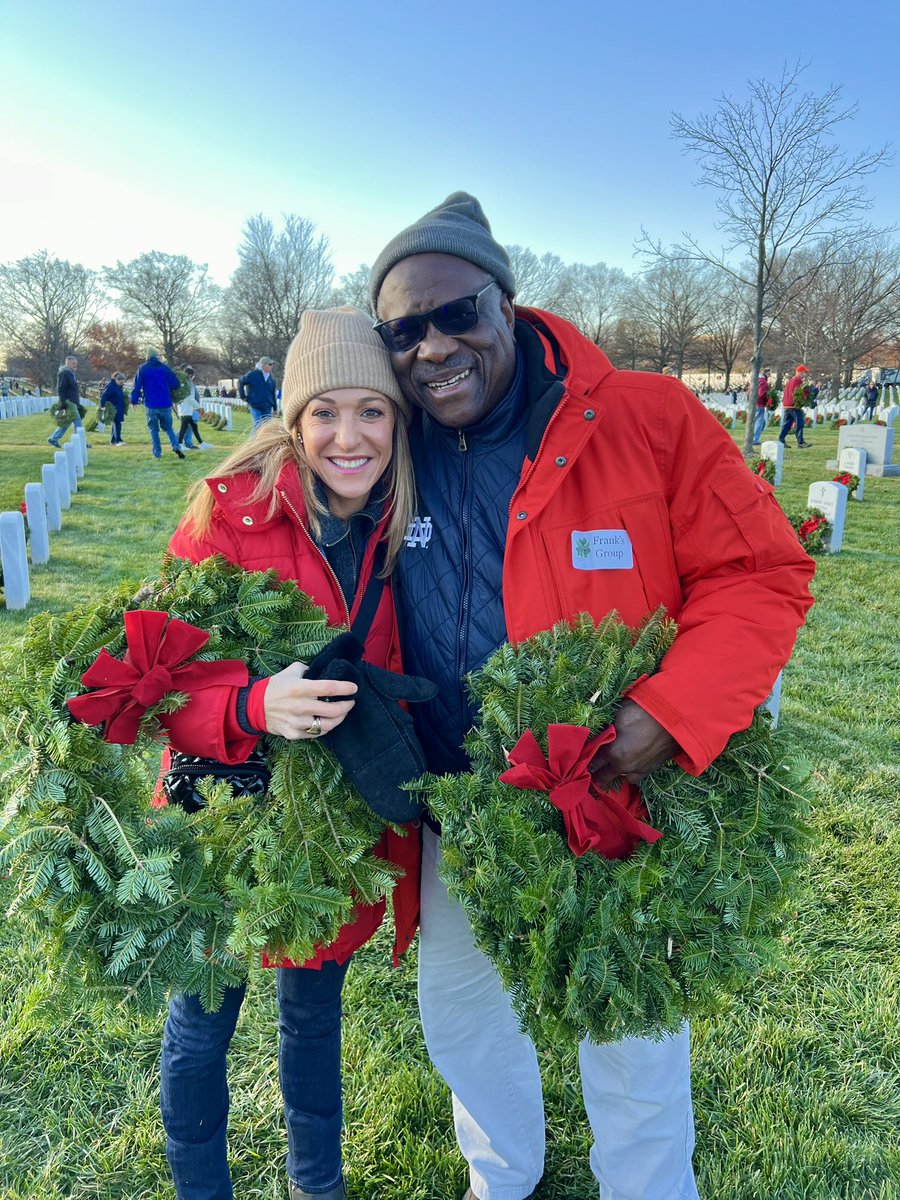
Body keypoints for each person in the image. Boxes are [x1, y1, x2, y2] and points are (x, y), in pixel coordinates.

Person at [369, 192, 816, 1200]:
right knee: (464, 1013)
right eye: (403, 330)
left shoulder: (645, 415)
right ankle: (503, 1175)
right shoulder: (386, 447)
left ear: (508, 305)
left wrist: (674, 711)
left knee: (632, 1031)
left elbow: (759, 571)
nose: (433, 347)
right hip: (458, 802)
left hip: (610, 793)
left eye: (458, 314)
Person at [158, 306, 418, 1200]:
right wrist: (252, 703)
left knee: (313, 1018)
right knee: (200, 1025)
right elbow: (159, 686)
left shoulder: (408, 526)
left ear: (398, 418)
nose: (350, 437)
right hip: (223, 825)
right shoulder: (229, 519)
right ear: (295, 419)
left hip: (329, 833)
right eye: (326, 412)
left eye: (372, 411)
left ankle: (318, 1184)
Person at [131, 349, 186, 459]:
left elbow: (137, 386)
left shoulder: (142, 369)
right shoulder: (164, 368)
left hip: (151, 404)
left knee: (154, 429)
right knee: (169, 428)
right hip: (165, 403)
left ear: (147, 357)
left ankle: (157, 453)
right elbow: (175, 383)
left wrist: (133, 401)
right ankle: (176, 446)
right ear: (157, 357)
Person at [48, 354, 90, 448]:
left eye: (76, 363)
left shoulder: (71, 374)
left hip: (73, 402)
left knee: (67, 423)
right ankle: (81, 443)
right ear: (68, 363)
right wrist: (63, 403)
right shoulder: (64, 373)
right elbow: (61, 389)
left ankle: (53, 439)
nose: (75, 365)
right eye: (73, 363)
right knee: (78, 423)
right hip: (69, 403)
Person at [176, 365, 210, 450]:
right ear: (190, 375)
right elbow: (190, 398)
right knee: (184, 428)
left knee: (193, 427)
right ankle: (178, 443)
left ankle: (201, 443)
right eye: (193, 375)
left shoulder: (183, 383)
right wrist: (198, 407)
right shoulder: (188, 384)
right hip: (187, 409)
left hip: (186, 409)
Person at [239, 355, 278, 429]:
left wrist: (275, 408)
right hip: (255, 406)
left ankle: (264, 441)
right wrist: (243, 396)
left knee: (267, 429)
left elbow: (273, 394)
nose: (272, 366)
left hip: (267, 407)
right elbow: (240, 382)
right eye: (270, 364)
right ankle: (253, 441)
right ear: (263, 365)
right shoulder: (253, 374)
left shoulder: (271, 379)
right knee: (258, 426)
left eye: (272, 364)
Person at [778, 364, 812, 448]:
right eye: (804, 372)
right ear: (800, 372)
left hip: (787, 405)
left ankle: (781, 440)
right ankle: (801, 442)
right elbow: (797, 392)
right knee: (800, 423)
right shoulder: (798, 380)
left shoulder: (790, 381)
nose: (805, 374)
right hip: (794, 405)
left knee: (787, 424)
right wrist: (805, 396)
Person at [100, 371, 127, 445]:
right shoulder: (111, 386)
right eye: (121, 382)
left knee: (116, 423)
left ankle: (113, 440)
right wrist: (102, 406)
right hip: (113, 407)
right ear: (116, 380)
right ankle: (117, 440)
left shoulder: (118, 386)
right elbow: (104, 396)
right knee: (117, 423)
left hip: (118, 406)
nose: (122, 384)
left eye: (123, 383)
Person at [753, 366, 772, 445]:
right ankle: (755, 440)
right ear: (766, 373)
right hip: (759, 404)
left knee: (754, 421)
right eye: (769, 373)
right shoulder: (763, 381)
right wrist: (769, 399)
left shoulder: (756, 380)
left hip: (754, 403)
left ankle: (752, 439)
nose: (770, 375)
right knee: (759, 422)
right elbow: (762, 393)